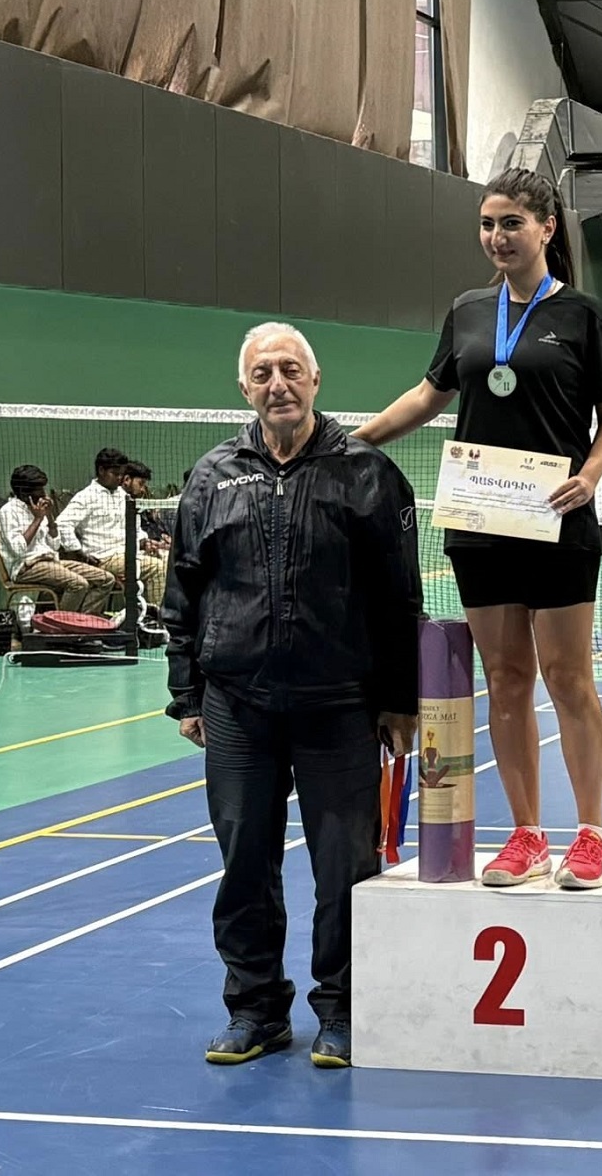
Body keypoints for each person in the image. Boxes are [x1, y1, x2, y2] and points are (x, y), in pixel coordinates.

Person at [357, 168, 602, 890]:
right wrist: (353, 441)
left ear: (546, 228)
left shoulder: (584, 316)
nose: (498, 236)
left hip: (557, 517)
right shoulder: (469, 311)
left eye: (512, 223)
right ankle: (527, 835)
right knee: (506, 681)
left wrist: (591, 475)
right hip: (480, 521)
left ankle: (593, 836)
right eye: (487, 223)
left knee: (569, 678)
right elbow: (429, 394)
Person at [164, 322, 421, 1070]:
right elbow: (183, 589)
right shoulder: (213, 476)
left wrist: (399, 700)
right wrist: (187, 694)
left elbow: (400, 598)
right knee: (244, 864)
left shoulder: (367, 473)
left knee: (345, 869)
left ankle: (344, 1010)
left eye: (290, 369)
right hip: (236, 706)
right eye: (262, 373)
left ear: (315, 379)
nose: (277, 383)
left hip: (339, 705)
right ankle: (255, 1010)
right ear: (244, 388)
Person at [0, 465, 117, 614]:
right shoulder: (8, 512)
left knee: (106, 579)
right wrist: (38, 519)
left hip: (51, 561)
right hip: (26, 567)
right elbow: (18, 550)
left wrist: (49, 517)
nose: (43, 494)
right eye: (39, 490)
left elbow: (55, 545)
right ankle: (59, 624)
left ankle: (84, 621)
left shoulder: (38, 508)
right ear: (25, 493)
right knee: (78, 584)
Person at [58, 447, 167, 607]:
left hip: (127, 554)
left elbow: (135, 528)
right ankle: (156, 616)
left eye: (121, 474)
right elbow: (62, 524)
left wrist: (145, 542)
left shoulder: (124, 497)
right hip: (103, 558)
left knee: (166, 559)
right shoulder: (86, 497)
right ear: (101, 470)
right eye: (115, 474)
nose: (119, 478)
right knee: (156, 567)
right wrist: (79, 553)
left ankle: (149, 614)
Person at [121, 462, 173, 556]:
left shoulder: (140, 504)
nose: (143, 490)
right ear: (127, 480)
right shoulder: (117, 504)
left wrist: (161, 537)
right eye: (140, 484)